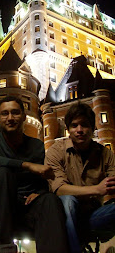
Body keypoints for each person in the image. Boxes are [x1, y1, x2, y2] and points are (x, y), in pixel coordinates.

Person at [0, 96, 69, 253]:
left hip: (28, 207)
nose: (10, 118)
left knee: (50, 200)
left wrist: (40, 193)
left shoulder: (36, 145)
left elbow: (43, 179)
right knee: (1, 173)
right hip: (1, 207)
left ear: (24, 117)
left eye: (15, 113)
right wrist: (26, 165)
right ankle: (1, 249)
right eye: (4, 114)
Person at [45, 102, 115, 253]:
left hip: (94, 216)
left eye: (84, 125)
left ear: (93, 128)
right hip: (65, 215)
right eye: (74, 125)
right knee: (67, 201)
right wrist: (97, 189)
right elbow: (60, 189)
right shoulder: (56, 151)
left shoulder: (106, 154)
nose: (79, 130)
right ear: (68, 129)